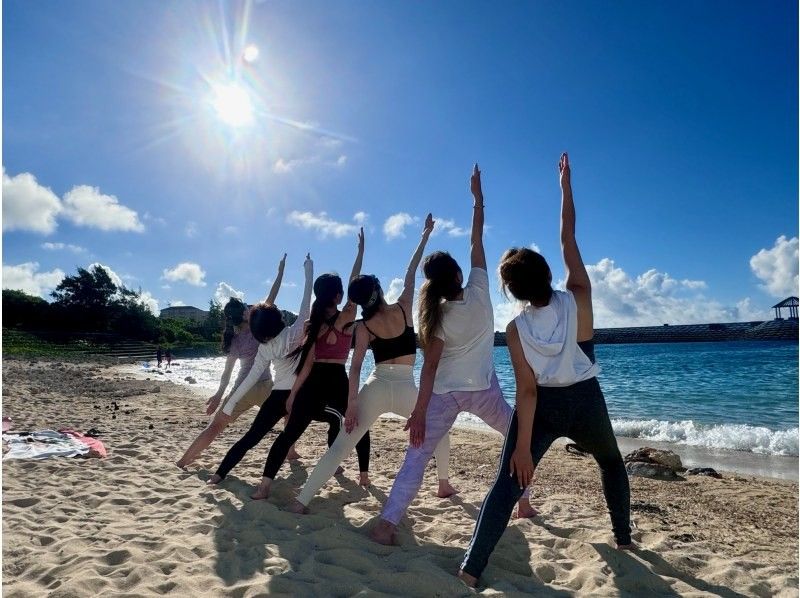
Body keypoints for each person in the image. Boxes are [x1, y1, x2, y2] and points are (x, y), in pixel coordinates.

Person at [458, 153, 632, 587]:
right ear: (547, 273)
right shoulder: (579, 295)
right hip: (587, 400)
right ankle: (624, 539)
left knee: (507, 483)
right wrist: (565, 185)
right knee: (611, 463)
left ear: (511, 290)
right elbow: (568, 235)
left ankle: (471, 569)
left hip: (545, 407)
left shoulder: (515, 329)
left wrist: (521, 447)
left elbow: (528, 392)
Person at [370, 164, 533, 546]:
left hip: (444, 394)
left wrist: (420, 411)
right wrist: (478, 200)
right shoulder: (479, 288)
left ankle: (387, 524)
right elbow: (477, 242)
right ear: (459, 273)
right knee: (519, 437)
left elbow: (429, 368)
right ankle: (524, 503)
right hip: (483, 390)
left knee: (416, 458)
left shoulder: (436, 315)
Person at [287, 214, 457, 515]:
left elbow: (354, 368)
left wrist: (352, 405)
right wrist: (425, 235)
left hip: (376, 386)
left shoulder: (363, 326)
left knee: (341, 446)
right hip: (406, 387)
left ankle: (302, 501)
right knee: (439, 430)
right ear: (378, 289)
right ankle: (443, 484)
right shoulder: (404, 307)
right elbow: (411, 271)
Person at [250, 229, 372, 500]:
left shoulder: (310, 324)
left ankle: (264, 486)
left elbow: (306, 365)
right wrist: (360, 251)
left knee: (289, 434)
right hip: (337, 381)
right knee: (358, 423)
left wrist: (293, 395)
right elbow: (355, 283)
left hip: (312, 382)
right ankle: (364, 475)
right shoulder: (347, 317)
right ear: (338, 296)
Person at [207, 254, 331, 485]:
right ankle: (327, 467)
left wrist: (231, 404)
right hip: (300, 396)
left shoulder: (264, 348)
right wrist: (309, 268)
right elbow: (308, 299)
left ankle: (219, 474)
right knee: (295, 434)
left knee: (252, 436)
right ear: (279, 317)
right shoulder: (295, 333)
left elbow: (250, 378)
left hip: (276, 396)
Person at [175, 256, 287, 469]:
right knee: (288, 416)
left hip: (241, 390)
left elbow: (227, 374)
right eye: (246, 307)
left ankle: (183, 461)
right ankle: (291, 452)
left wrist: (218, 396)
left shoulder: (234, 341)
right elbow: (272, 296)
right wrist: (280, 272)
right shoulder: (258, 326)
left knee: (214, 427)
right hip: (264, 386)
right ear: (244, 313)